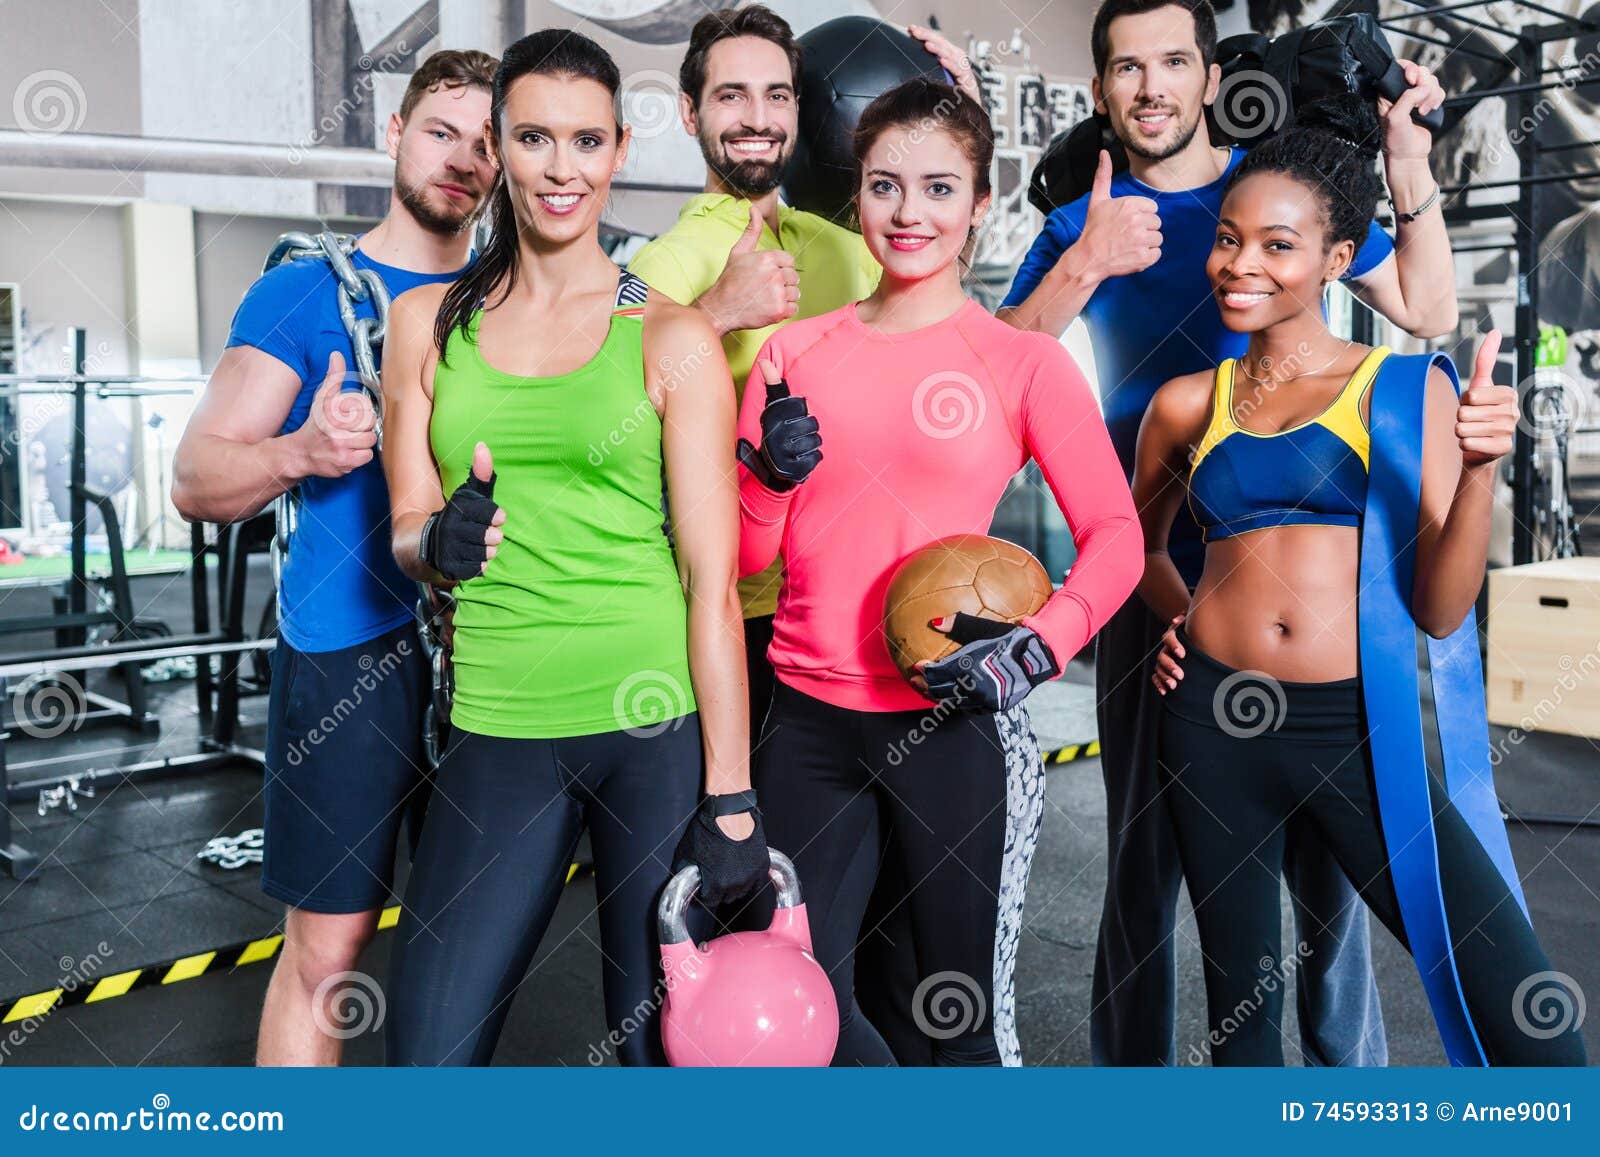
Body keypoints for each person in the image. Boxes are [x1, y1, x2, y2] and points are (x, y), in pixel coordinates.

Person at [998, 0, 1459, 1067]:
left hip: (1306, 585)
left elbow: (1428, 307)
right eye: (1125, 67)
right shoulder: (1083, 220)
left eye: (1171, 63)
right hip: (1142, 572)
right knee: (1141, 863)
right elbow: (982, 367)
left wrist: (1403, 156)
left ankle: (1342, 1093)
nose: (1149, 87)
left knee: (1323, 875)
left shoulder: (1279, 193)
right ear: (1103, 88)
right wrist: (1086, 262)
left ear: (1210, 77)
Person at [1133, 96, 1587, 1067]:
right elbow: (1139, 547)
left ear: (1337, 260)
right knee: (1239, 1021)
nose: (1239, 264)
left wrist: (1479, 472)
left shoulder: (1400, 388)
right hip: (1209, 721)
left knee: (1526, 1012)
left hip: (1351, 725)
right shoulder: (1183, 404)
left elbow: (1437, 606)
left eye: (1276, 245)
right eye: (1227, 239)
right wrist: (1178, 620)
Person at [736, 77, 1142, 1066]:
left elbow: (1116, 533)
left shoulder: (1020, 362)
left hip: (953, 726)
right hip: (805, 721)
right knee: (798, 1000)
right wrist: (766, 476)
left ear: (976, 201)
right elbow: (750, 558)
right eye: (884, 186)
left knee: (949, 1014)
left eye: (936, 187)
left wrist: (1040, 643)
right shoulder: (792, 354)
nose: (909, 212)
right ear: (857, 195)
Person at [377, 29, 762, 1067]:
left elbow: (710, 584)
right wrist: (437, 542)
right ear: (496, 147)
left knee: (658, 1062)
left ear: (621, 149)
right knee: (425, 1056)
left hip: (651, 726)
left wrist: (730, 795)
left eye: (586, 140)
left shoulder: (669, 332)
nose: (562, 168)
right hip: (498, 722)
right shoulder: (425, 321)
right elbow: (408, 524)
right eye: (535, 138)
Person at [626, 5, 989, 1064]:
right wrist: (711, 314)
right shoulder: (655, 261)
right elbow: (593, 369)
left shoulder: (844, 247)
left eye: (775, 94)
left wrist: (956, 119)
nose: (755, 117)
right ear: (692, 112)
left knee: (868, 938)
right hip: (715, 634)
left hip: (837, 635)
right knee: (717, 918)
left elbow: (956, 340)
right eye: (730, 96)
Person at [171, 49, 498, 1067]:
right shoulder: (305, 293)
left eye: (491, 141)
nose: (465, 158)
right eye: (443, 130)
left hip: (494, 657)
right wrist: (299, 452)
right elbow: (194, 476)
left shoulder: (520, 299)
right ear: (394, 132)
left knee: (467, 957)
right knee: (328, 950)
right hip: (349, 658)